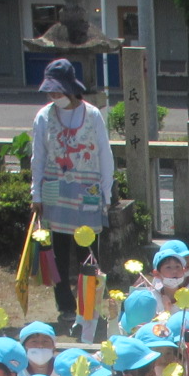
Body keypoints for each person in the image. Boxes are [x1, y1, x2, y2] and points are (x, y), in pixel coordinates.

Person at [30, 58, 114, 330]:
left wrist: (107, 192)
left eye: (58, 91)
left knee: (88, 253)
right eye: (50, 92)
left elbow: (104, 153)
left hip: (87, 192)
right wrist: (37, 194)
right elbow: (38, 157)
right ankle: (65, 305)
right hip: (56, 192)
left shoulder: (92, 115)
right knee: (57, 255)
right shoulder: (44, 116)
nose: (54, 97)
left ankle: (91, 305)